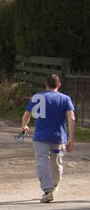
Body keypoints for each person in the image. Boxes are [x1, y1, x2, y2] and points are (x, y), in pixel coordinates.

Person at [19, 73, 76, 203]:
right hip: (59, 137)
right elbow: (71, 119)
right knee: (56, 162)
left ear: (45, 85)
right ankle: (54, 186)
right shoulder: (65, 99)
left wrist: (24, 126)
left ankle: (47, 190)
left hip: (41, 137)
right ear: (59, 85)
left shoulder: (38, 97)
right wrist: (71, 139)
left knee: (42, 162)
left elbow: (27, 114)